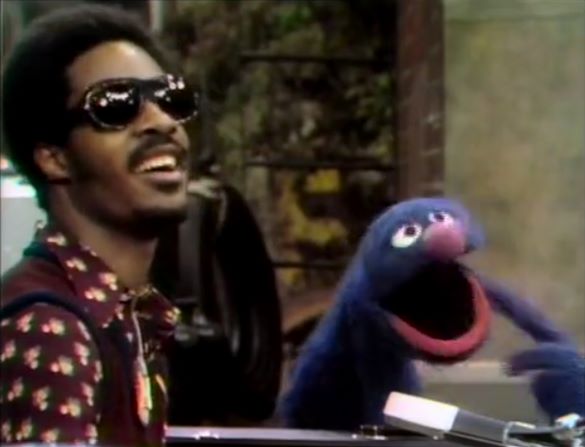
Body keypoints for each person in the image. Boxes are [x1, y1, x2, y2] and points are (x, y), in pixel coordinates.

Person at [0, 3, 199, 445]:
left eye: (171, 99)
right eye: (116, 105)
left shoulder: (130, 318)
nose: (163, 122)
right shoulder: (50, 328)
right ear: (54, 158)